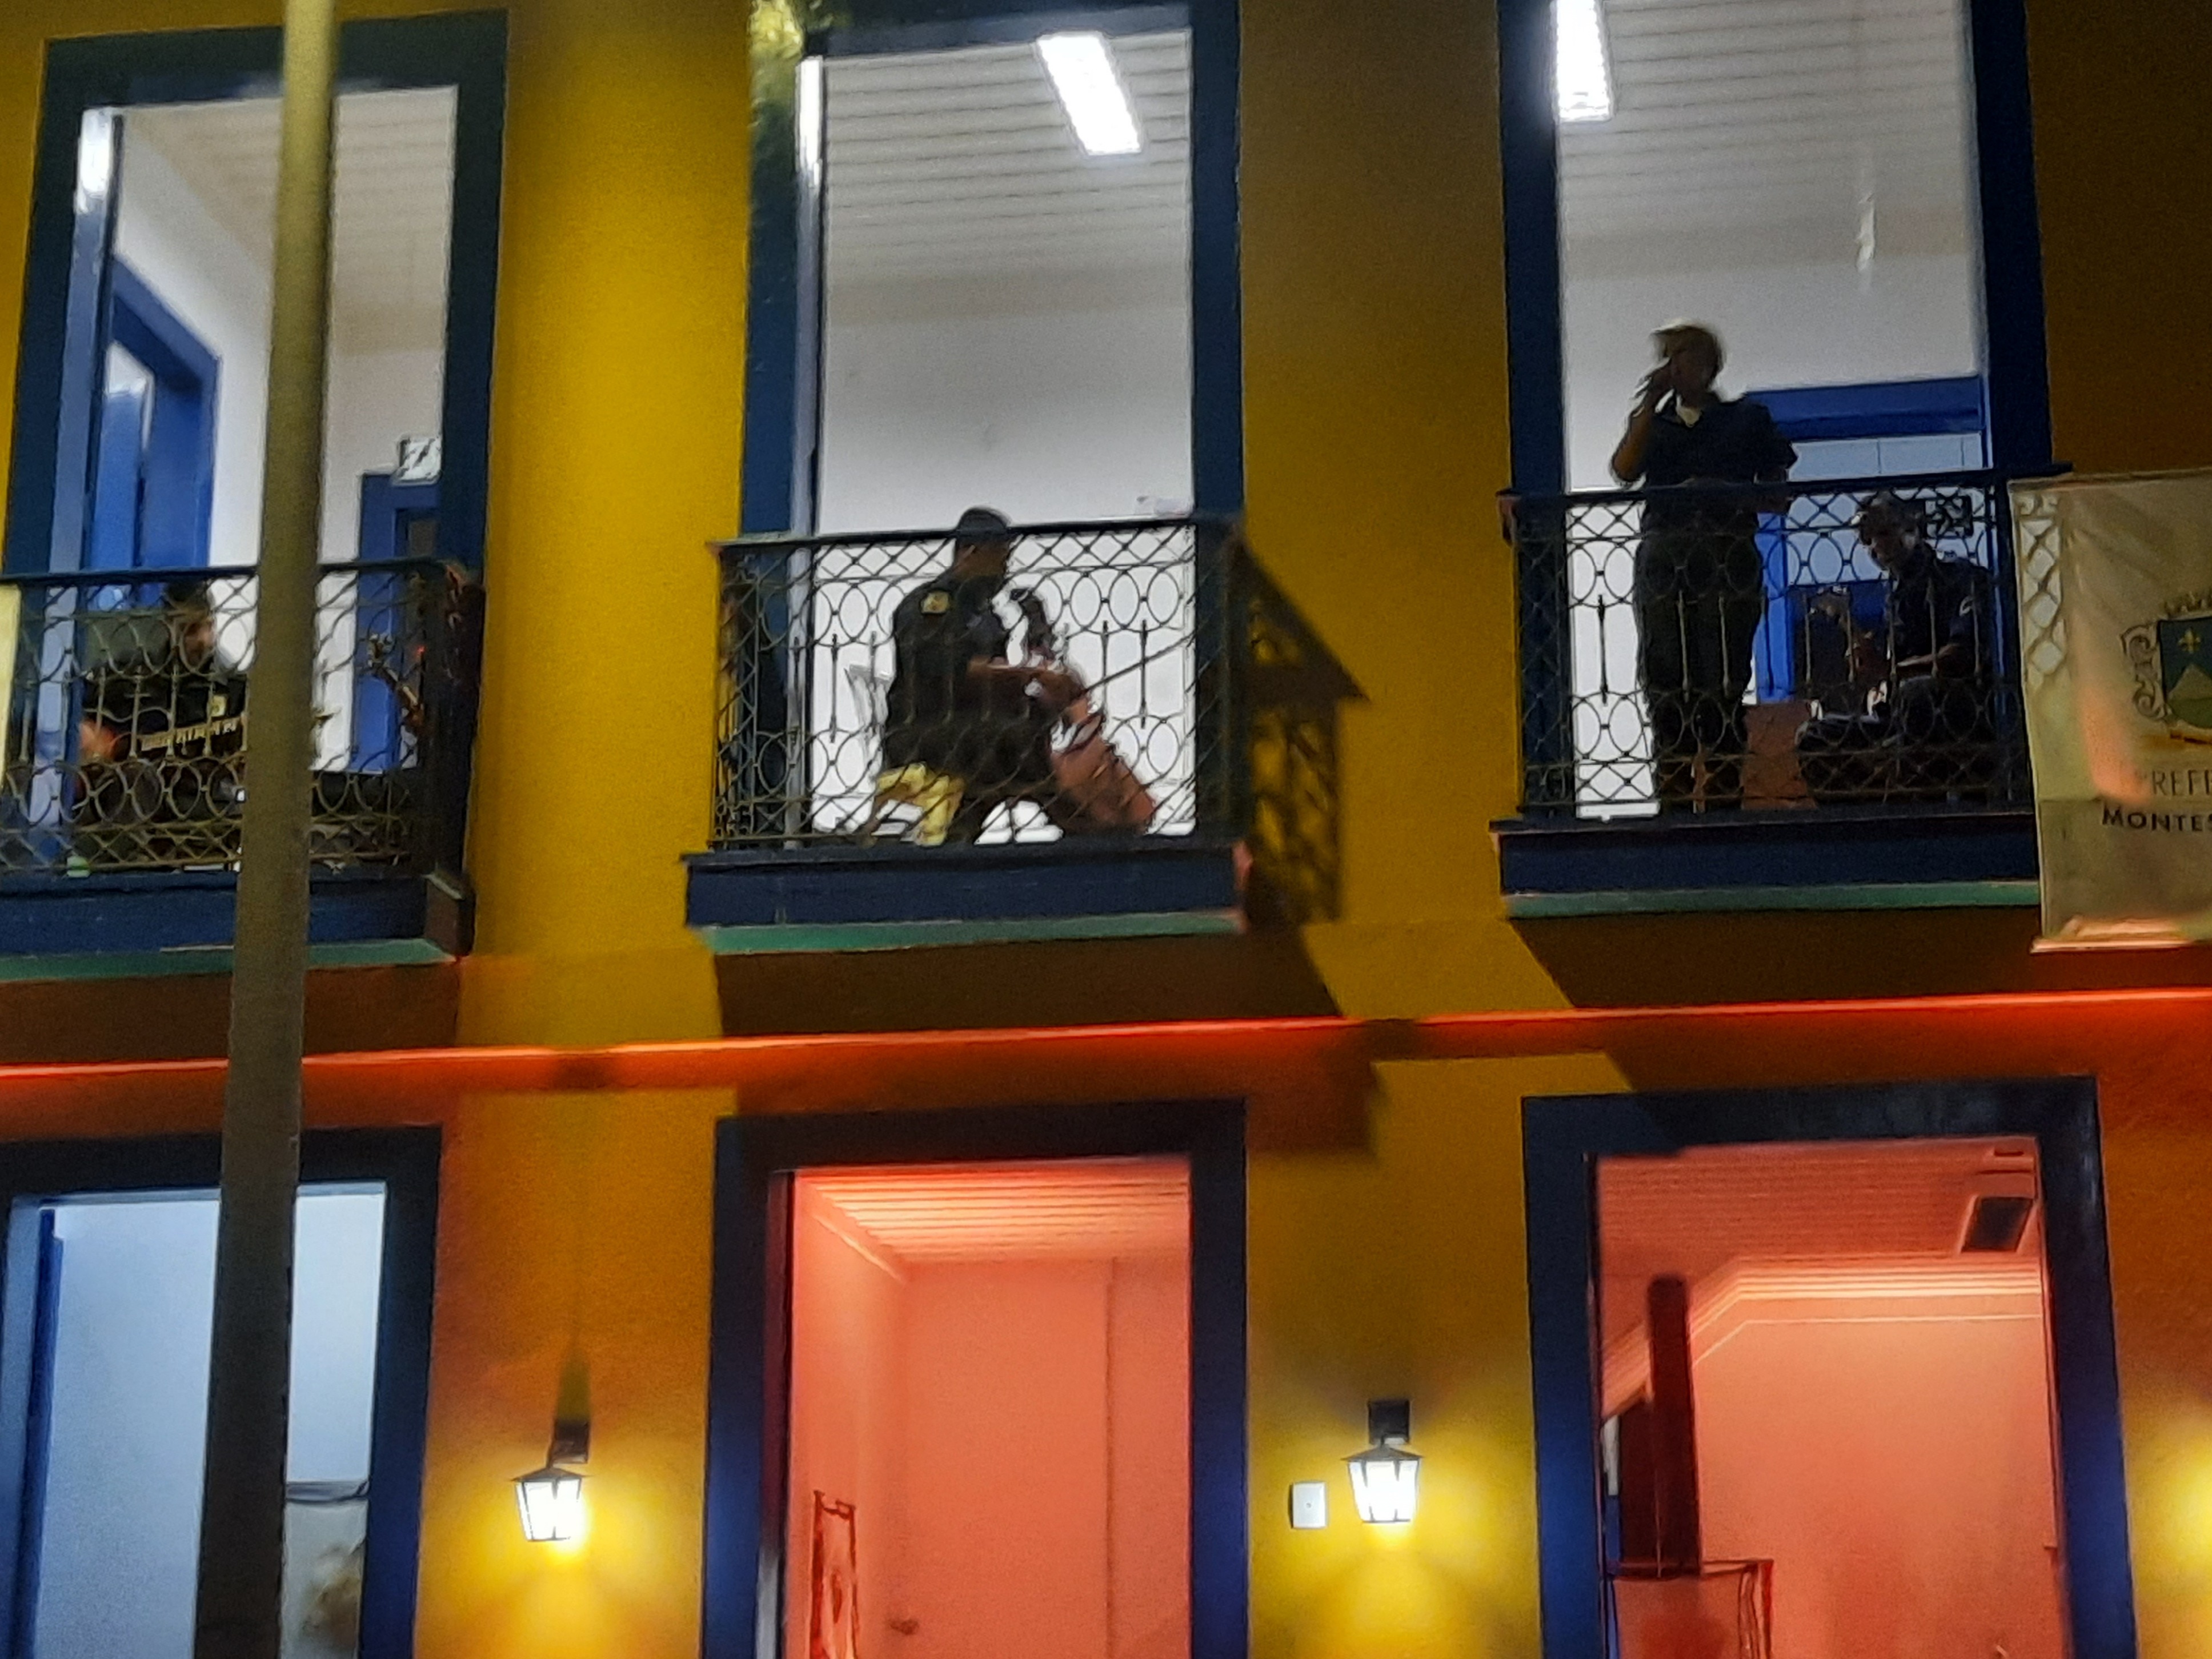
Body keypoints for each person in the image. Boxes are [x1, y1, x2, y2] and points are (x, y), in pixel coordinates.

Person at [881, 507, 1155, 841]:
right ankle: (1088, 830)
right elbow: (953, 671)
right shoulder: (931, 606)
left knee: (1029, 732)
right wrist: (1029, 674)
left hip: (977, 730)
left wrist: (1046, 676)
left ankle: (969, 835)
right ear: (971, 553)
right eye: (1000, 558)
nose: (1006, 569)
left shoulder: (986, 612)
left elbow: (1000, 670)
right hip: (928, 731)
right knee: (1022, 746)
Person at [1610, 322, 1796, 810]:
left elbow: (1778, 493)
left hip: (1726, 556)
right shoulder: (1656, 424)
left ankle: (1723, 789)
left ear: (1710, 364)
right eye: (1669, 359)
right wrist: (1649, 404)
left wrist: (1721, 491)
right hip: (1664, 560)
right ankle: (1672, 791)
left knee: (1724, 673)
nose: (1675, 368)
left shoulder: (1748, 418)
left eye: (1685, 357)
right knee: (1663, 671)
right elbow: (1625, 470)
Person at [1795, 491, 1996, 803]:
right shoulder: (1895, 596)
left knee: (1918, 692)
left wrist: (1891, 671)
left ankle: (1915, 808)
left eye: (1884, 533)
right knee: (1814, 736)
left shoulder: (1958, 577)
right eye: (1867, 539)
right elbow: (1890, 674)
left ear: (1912, 528)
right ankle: (1870, 814)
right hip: (1900, 719)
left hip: (1957, 714)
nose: (1876, 546)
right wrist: (1877, 675)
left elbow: (1963, 655)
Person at [75, 578, 250, 865]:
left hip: (199, 796)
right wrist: (88, 733)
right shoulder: (132, 674)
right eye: (190, 630)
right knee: (136, 776)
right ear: (169, 627)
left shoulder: (234, 687)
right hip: (130, 796)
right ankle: (126, 874)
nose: (204, 639)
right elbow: (76, 706)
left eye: (208, 626)